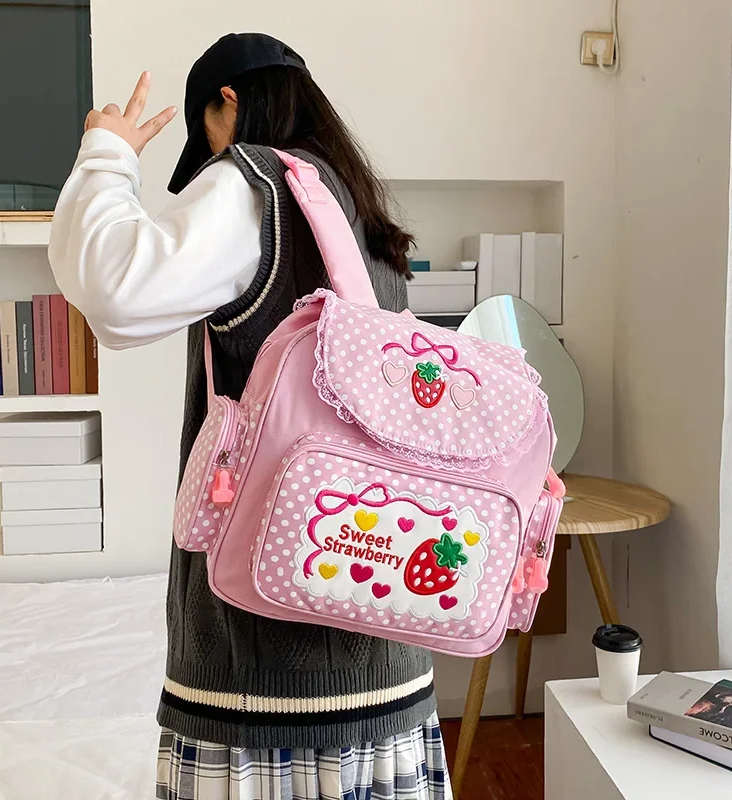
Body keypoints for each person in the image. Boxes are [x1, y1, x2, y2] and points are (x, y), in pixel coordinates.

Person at [49, 33, 451, 800]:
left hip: (265, 682)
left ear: (228, 102)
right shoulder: (357, 210)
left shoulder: (252, 185)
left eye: (206, 132)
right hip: (383, 648)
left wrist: (105, 155)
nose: (211, 153)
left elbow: (113, 292)